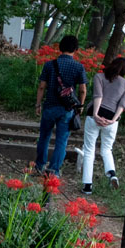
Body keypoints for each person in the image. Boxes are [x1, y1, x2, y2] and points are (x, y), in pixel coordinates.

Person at [34, 35, 88, 177]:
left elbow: (41, 86)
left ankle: (39, 166)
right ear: (76, 49)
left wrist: (38, 104)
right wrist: (80, 105)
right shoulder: (79, 67)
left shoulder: (49, 65)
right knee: (61, 141)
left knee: (44, 137)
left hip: (49, 106)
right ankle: (53, 171)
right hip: (67, 109)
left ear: (60, 47)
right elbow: (82, 89)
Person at [80, 56, 125, 194]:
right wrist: (113, 119)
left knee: (89, 150)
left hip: (94, 116)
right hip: (111, 120)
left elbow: (98, 96)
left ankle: (87, 186)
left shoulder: (99, 77)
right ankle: (112, 173)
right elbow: (122, 105)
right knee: (107, 149)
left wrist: (96, 114)